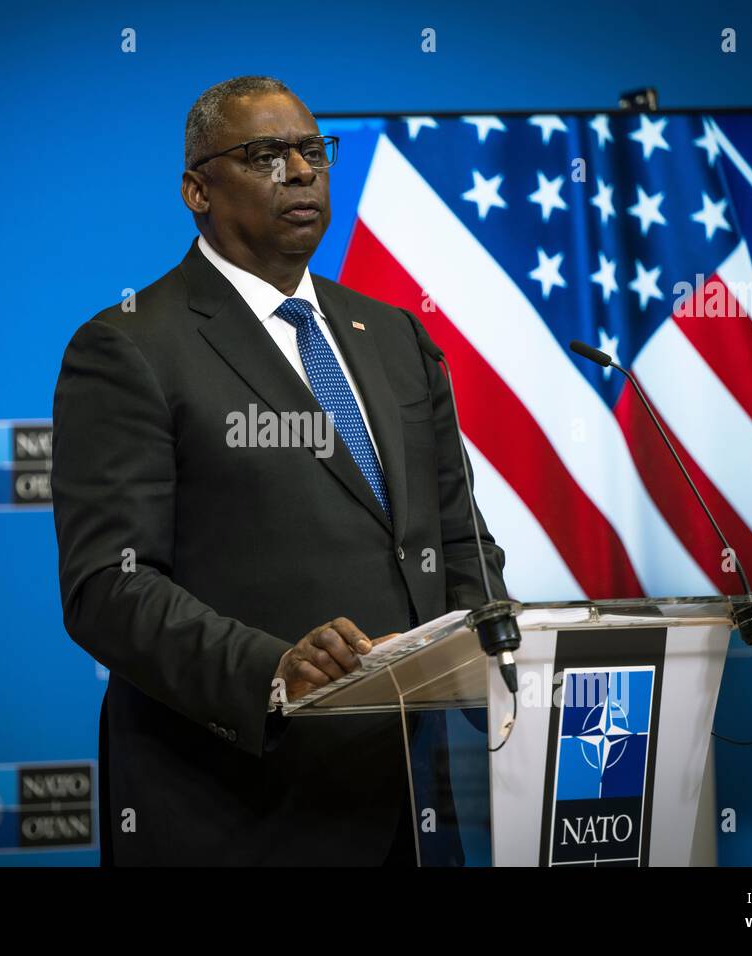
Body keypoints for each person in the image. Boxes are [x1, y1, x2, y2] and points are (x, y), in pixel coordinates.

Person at [51, 75, 508, 866]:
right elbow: (108, 587)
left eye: (312, 151)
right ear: (197, 189)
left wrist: (501, 655)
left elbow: (458, 534)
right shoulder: (131, 346)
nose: (300, 172)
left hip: (409, 802)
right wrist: (276, 671)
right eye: (265, 155)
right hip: (233, 807)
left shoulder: (394, 335)